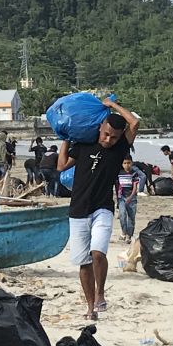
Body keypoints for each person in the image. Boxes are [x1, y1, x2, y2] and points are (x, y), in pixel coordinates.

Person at [58, 98, 139, 320]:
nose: (108, 139)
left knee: (97, 253)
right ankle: (90, 307)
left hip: (102, 208)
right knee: (83, 263)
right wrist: (65, 138)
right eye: (106, 134)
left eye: (114, 136)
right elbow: (61, 165)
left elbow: (133, 123)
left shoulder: (121, 146)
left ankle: (101, 294)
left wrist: (112, 105)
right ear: (100, 127)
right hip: (77, 210)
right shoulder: (84, 143)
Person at [116, 157, 142, 244]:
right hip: (121, 197)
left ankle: (129, 235)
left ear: (131, 163)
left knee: (131, 217)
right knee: (122, 215)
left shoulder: (134, 173)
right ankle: (124, 231)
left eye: (128, 163)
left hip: (131, 197)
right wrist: (118, 197)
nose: (127, 165)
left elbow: (135, 187)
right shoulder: (119, 173)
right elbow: (117, 186)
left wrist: (130, 197)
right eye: (125, 163)